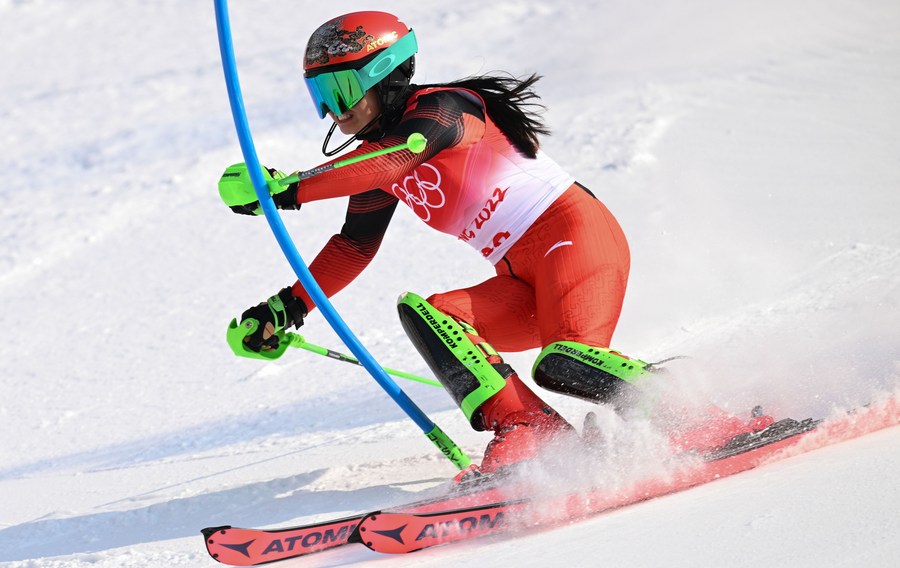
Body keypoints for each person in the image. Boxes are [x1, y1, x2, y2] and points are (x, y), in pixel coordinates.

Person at [220, 11, 651, 474]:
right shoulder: (369, 161)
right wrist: (287, 307)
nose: (334, 111)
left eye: (341, 90)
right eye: (321, 96)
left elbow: (400, 156)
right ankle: (530, 430)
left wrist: (290, 188)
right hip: (520, 277)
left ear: (382, 75)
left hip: (574, 239)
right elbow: (353, 246)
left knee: (564, 363)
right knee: (434, 315)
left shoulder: (445, 109)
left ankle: (688, 401)